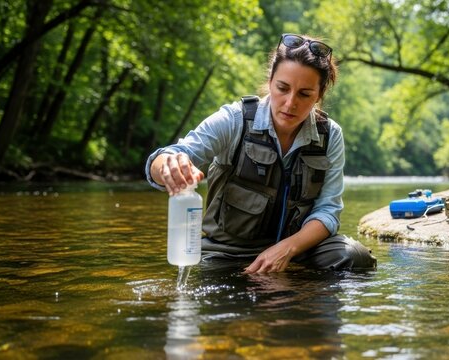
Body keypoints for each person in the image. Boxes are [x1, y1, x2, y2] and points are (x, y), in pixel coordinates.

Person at [146, 33, 376, 273]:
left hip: (298, 251)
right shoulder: (234, 120)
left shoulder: (330, 136)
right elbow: (171, 155)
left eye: (304, 94)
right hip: (228, 253)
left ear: (319, 95)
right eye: (282, 88)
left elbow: (328, 211)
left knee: (354, 258)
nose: (290, 103)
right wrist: (167, 165)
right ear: (270, 81)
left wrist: (287, 249)